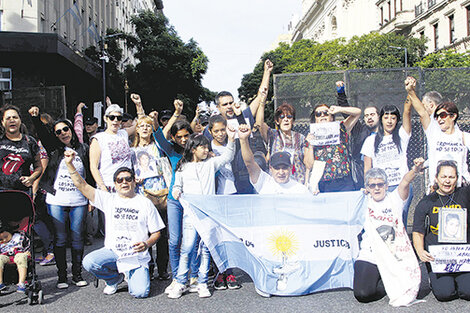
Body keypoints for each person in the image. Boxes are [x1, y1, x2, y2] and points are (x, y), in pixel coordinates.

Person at [64, 152, 165, 298]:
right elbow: (82, 186)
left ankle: (131, 274)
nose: (124, 182)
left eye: (128, 179)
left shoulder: (145, 203)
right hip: (114, 252)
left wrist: (146, 244)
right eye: (119, 180)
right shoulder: (108, 200)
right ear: (115, 184)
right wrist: (69, 164)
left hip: (135, 257)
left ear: (134, 181)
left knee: (140, 293)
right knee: (90, 262)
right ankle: (114, 279)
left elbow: (156, 233)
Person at [29, 106, 92, 288]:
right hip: (56, 199)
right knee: (61, 238)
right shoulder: (55, 149)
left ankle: (77, 274)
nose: (63, 133)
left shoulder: (83, 149)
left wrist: (92, 198)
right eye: (58, 132)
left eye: (66, 129)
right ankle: (62, 276)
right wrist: (35, 118)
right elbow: (43, 133)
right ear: (55, 136)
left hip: (79, 200)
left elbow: (90, 174)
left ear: (71, 130)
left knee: (78, 236)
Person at [169, 129, 236, 299]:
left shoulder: (211, 164)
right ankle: (180, 281)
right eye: (203, 148)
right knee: (188, 247)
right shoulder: (183, 167)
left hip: (208, 214)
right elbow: (177, 185)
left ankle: (202, 282)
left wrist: (232, 138)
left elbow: (228, 156)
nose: (206, 150)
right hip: (190, 214)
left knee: (206, 249)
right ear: (193, 149)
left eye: (207, 147)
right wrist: (177, 190)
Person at [353, 158, 424, 306]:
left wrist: (415, 170)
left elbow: (405, 181)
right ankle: (386, 285)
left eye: (380, 184)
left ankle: (391, 280)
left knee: (407, 288)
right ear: (367, 187)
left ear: (386, 186)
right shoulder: (362, 201)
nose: (377, 188)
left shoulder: (395, 199)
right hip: (370, 254)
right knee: (362, 294)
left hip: (394, 254)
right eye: (372, 185)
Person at [151, 103, 196, 294]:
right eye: (179, 137)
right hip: (174, 200)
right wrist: (171, 116)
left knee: (192, 239)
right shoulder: (171, 150)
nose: (184, 140)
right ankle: (178, 277)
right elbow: (159, 136)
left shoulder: (197, 150)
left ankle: (193, 276)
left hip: (193, 200)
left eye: (187, 136)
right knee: (174, 240)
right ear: (174, 138)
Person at [412, 160, 470, 302]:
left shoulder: (465, 195)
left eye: (451, 177)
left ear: (457, 178)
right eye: (444, 177)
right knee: (445, 294)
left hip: (462, 255)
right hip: (439, 256)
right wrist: (420, 251)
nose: (447, 181)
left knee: (468, 292)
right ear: (436, 178)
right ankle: (438, 281)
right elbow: (418, 231)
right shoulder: (426, 201)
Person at [405, 76, 470, 189]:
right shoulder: (434, 133)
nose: (439, 119)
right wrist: (411, 91)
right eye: (437, 116)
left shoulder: (463, 136)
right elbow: (422, 113)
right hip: (437, 189)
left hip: (459, 188)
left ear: (453, 116)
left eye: (443, 116)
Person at [131, 112, 172, 281]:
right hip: (141, 194)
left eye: (148, 125)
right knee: (144, 234)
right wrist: (134, 178)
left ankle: (162, 268)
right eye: (141, 126)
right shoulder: (132, 150)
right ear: (137, 130)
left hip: (160, 194)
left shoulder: (158, 146)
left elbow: (162, 134)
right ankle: (147, 267)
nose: (145, 128)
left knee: (161, 234)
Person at [361, 101, 412, 223]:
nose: (389, 121)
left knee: (399, 221)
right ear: (381, 119)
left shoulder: (402, 136)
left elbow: (407, 112)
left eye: (393, 118)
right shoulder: (370, 140)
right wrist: (368, 186)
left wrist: (410, 92)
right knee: (383, 221)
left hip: (401, 185)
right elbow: (367, 167)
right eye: (386, 117)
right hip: (381, 187)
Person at [305, 103, 361, 194]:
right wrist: (310, 145)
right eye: (318, 114)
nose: (322, 115)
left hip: (344, 181)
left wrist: (340, 109)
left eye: (326, 113)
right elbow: (308, 165)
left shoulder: (341, 129)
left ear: (332, 117)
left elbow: (358, 112)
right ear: (315, 119)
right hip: (323, 183)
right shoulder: (310, 136)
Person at [239, 124, 309, 194]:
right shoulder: (263, 181)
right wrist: (243, 140)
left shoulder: (301, 190)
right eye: (277, 168)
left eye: (284, 168)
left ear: (290, 168)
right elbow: (249, 163)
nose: (281, 172)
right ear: (271, 168)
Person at [336, 81, 380, 188]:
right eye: (366, 115)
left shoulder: (386, 133)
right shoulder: (360, 130)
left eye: (372, 114)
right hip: (360, 173)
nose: (369, 117)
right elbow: (347, 113)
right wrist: (341, 93)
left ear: (379, 116)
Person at [257, 102, 308, 185]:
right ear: (277, 121)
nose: (286, 119)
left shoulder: (301, 138)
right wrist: (262, 102)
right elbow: (259, 124)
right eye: (282, 117)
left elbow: (306, 163)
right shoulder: (272, 135)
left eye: (289, 116)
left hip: (297, 183)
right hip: (277, 184)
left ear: (293, 120)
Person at [0, 105, 42, 194]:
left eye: (15, 117)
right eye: (8, 118)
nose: (12, 120)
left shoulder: (30, 141)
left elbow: (38, 167)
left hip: (23, 192)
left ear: (20, 120)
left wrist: (31, 178)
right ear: (2, 122)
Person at [0, 219, 30, 293]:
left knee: (21, 257)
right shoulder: (1, 243)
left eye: (5, 236)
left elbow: (28, 244)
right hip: (5, 255)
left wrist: (28, 251)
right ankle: (0, 283)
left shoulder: (19, 236)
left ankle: (21, 283)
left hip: (19, 253)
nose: (3, 240)